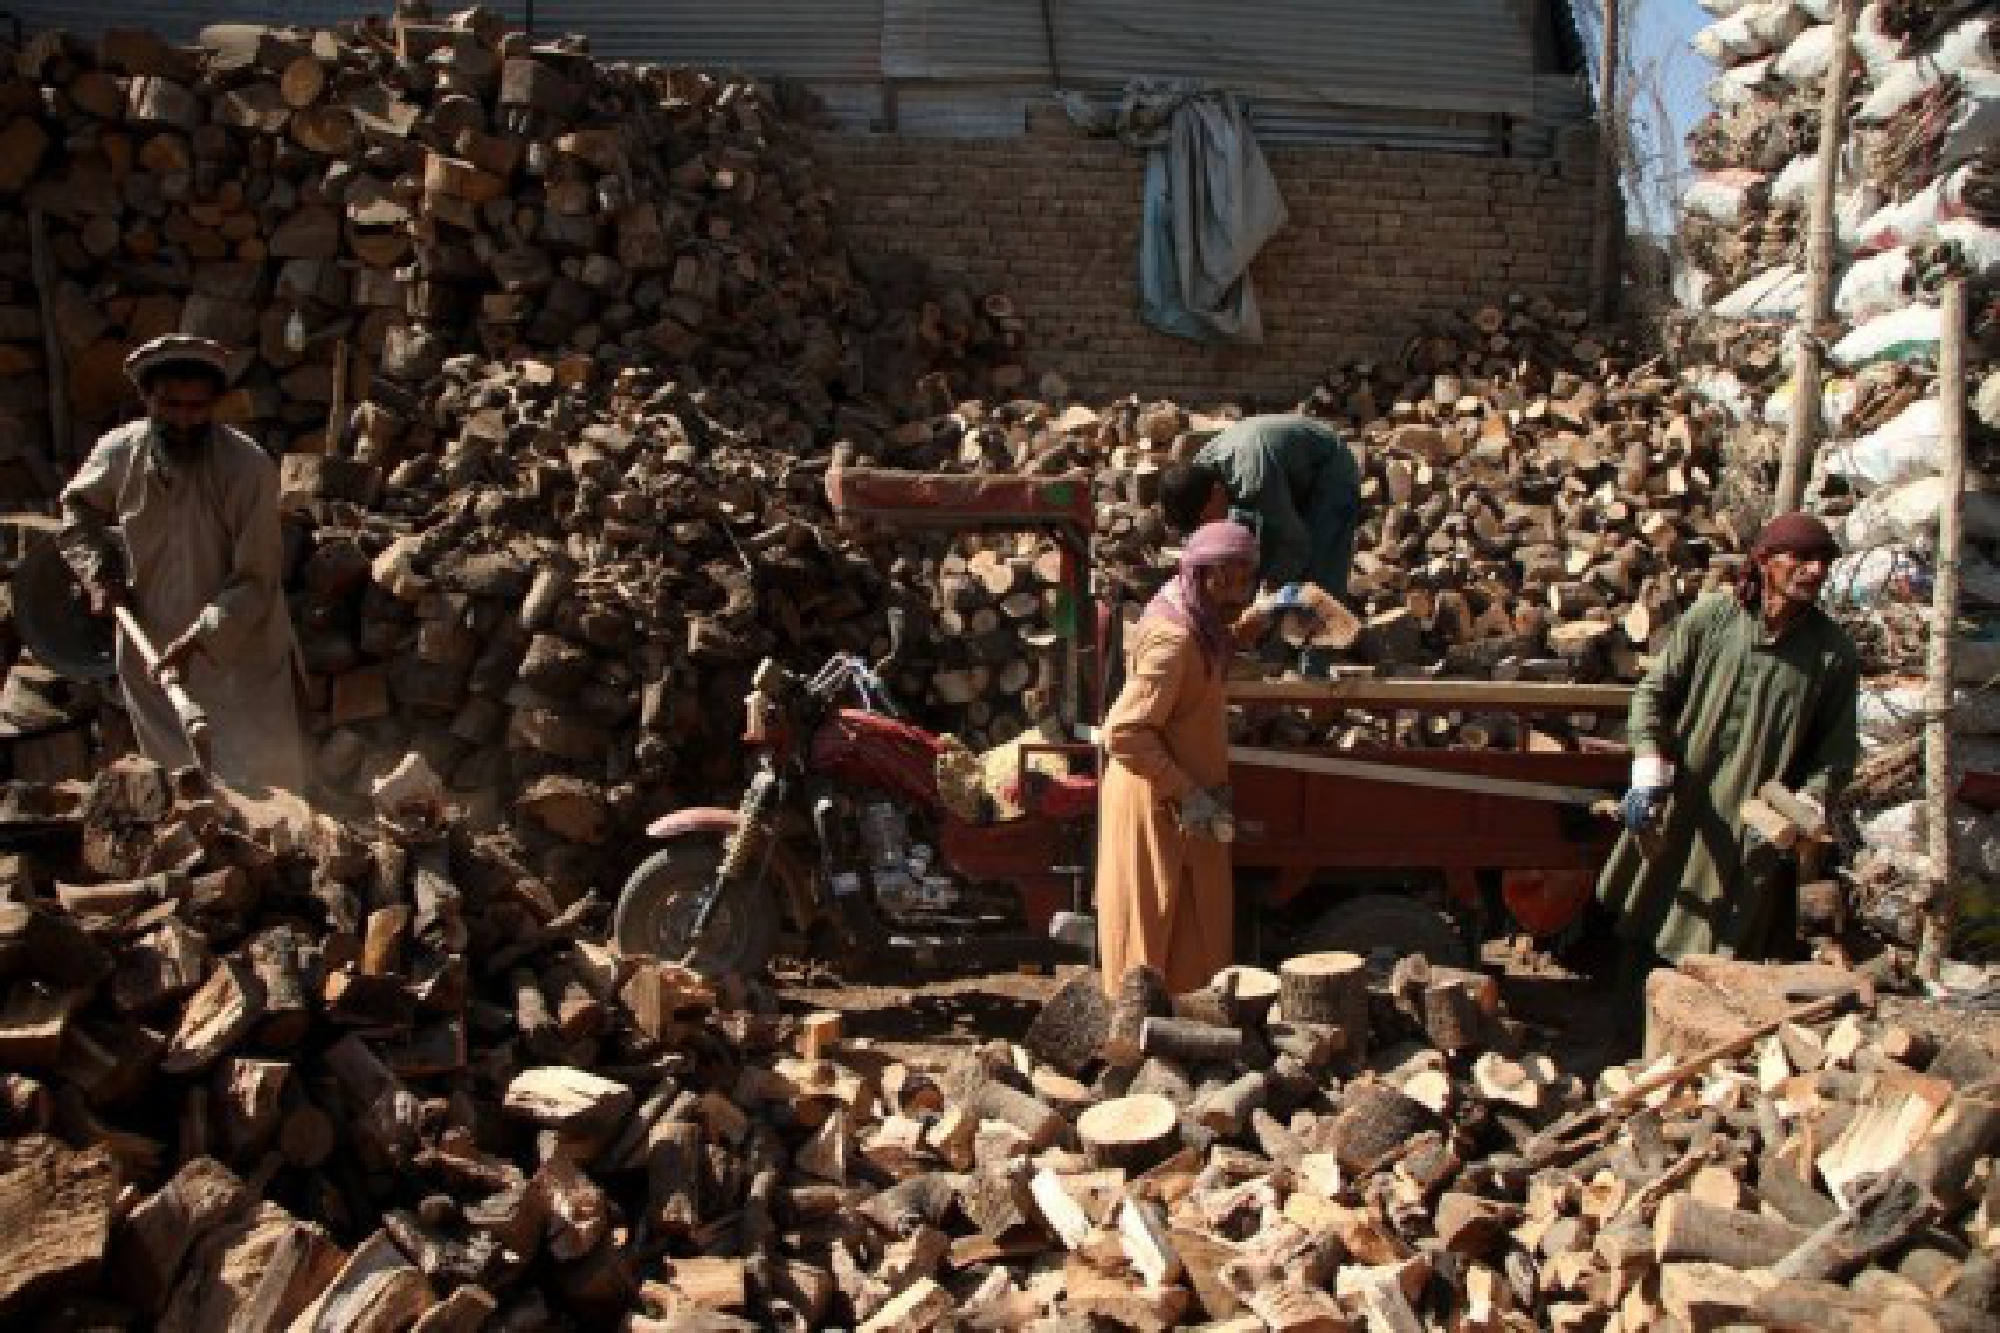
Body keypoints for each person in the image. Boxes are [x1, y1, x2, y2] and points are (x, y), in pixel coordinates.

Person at [1598, 512, 1861, 1016]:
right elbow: (1654, 695)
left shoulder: (1832, 654)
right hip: (1686, 803)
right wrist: (1649, 769)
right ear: (1765, 561)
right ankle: (1624, 1027)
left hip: (1754, 823)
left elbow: (1836, 753)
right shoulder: (1713, 619)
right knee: (1652, 910)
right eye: (1802, 559)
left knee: (1729, 935)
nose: (1815, 571)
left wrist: (1805, 802)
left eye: (1823, 561)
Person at [60, 335, 307, 793]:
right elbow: (77, 513)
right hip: (149, 651)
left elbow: (256, 580)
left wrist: (200, 639)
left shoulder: (248, 470)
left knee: (266, 799)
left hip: (239, 659)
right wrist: (99, 571)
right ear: (146, 399)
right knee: (179, 793)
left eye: (197, 407)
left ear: (215, 404)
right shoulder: (119, 453)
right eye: (170, 405)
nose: (184, 420)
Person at [1096, 520, 1259, 996]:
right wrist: (1187, 793)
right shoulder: (1175, 641)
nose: (1235, 593)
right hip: (1160, 807)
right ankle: (1149, 1050)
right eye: (1225, 580)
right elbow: (1124, 733)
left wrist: (1248, 629)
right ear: (1198, 574)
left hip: (1186, 810)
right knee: (1160, 937)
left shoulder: (1193, 619)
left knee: (1195, 932)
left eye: (1244, 581)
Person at [1159, 414, 1361, 598]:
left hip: (1330, 467)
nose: (1207, 529)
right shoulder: (1198, 473)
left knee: (1320, 564)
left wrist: (1268, 589)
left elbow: (1294, 542)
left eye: (1205, 521)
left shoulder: (1253, 480)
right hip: (1282, 468)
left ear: (1216, 493)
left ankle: (1331, 626)